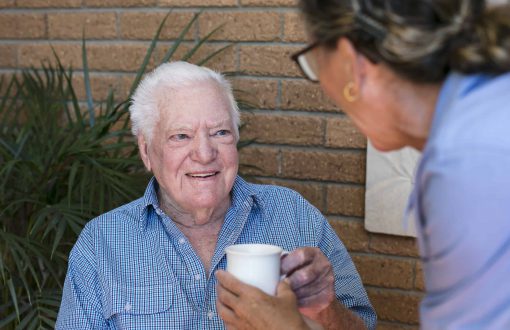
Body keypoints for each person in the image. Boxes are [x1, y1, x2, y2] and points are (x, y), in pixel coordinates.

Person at [216, 0, 510, 329]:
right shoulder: (479, 116)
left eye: (314, 61)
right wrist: (326, 314)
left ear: (348, 62)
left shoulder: (466, 165)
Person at [55, 61, 376, 329]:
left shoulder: (296, 217)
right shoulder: (101, 244)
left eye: (219, 132)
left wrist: (325, 310)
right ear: (146, 151)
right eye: (181, 136)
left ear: (236, 138)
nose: (205, 153)